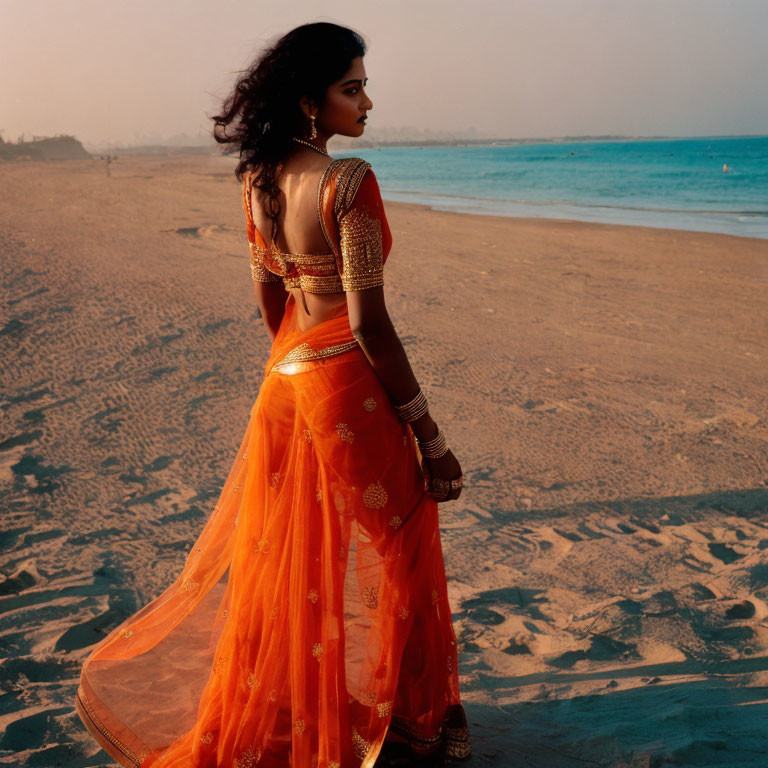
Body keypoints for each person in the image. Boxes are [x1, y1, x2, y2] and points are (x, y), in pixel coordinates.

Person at [73, 22, 471, 768]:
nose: (368, 102)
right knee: (400, 548)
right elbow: (369, 324)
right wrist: (431, 436)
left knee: (286, 555)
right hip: (346, 385)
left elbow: (271, 299)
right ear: (309, 102)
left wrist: (296, 368)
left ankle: (292, 705)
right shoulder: (347, 182)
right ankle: (416, 729)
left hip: (285, 387)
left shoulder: (257, 182)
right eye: (352, 88)